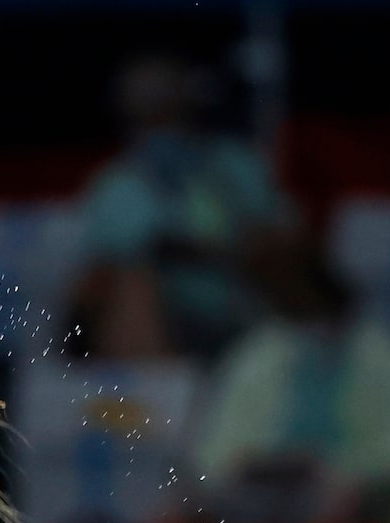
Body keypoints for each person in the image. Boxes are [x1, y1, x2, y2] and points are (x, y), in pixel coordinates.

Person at [191, 232, 390, 523]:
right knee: (190, 509)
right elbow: (211, 457)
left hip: (353, 503)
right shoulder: (255, 354)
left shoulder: (382, 356)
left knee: (336, 503)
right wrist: (253, 465)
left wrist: (348, 477)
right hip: (261, 503)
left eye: (296, 282)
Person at [71, 52, 290, 358]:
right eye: (147, 117)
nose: (161, 126)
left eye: (168, 112)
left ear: (191, 106)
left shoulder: (237, 165)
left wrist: (226, 252)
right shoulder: (116, 185)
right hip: (167, 322)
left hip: (246, 310)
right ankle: (152, 398)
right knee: (132, 288)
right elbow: (108, 266)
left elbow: (280, 240)